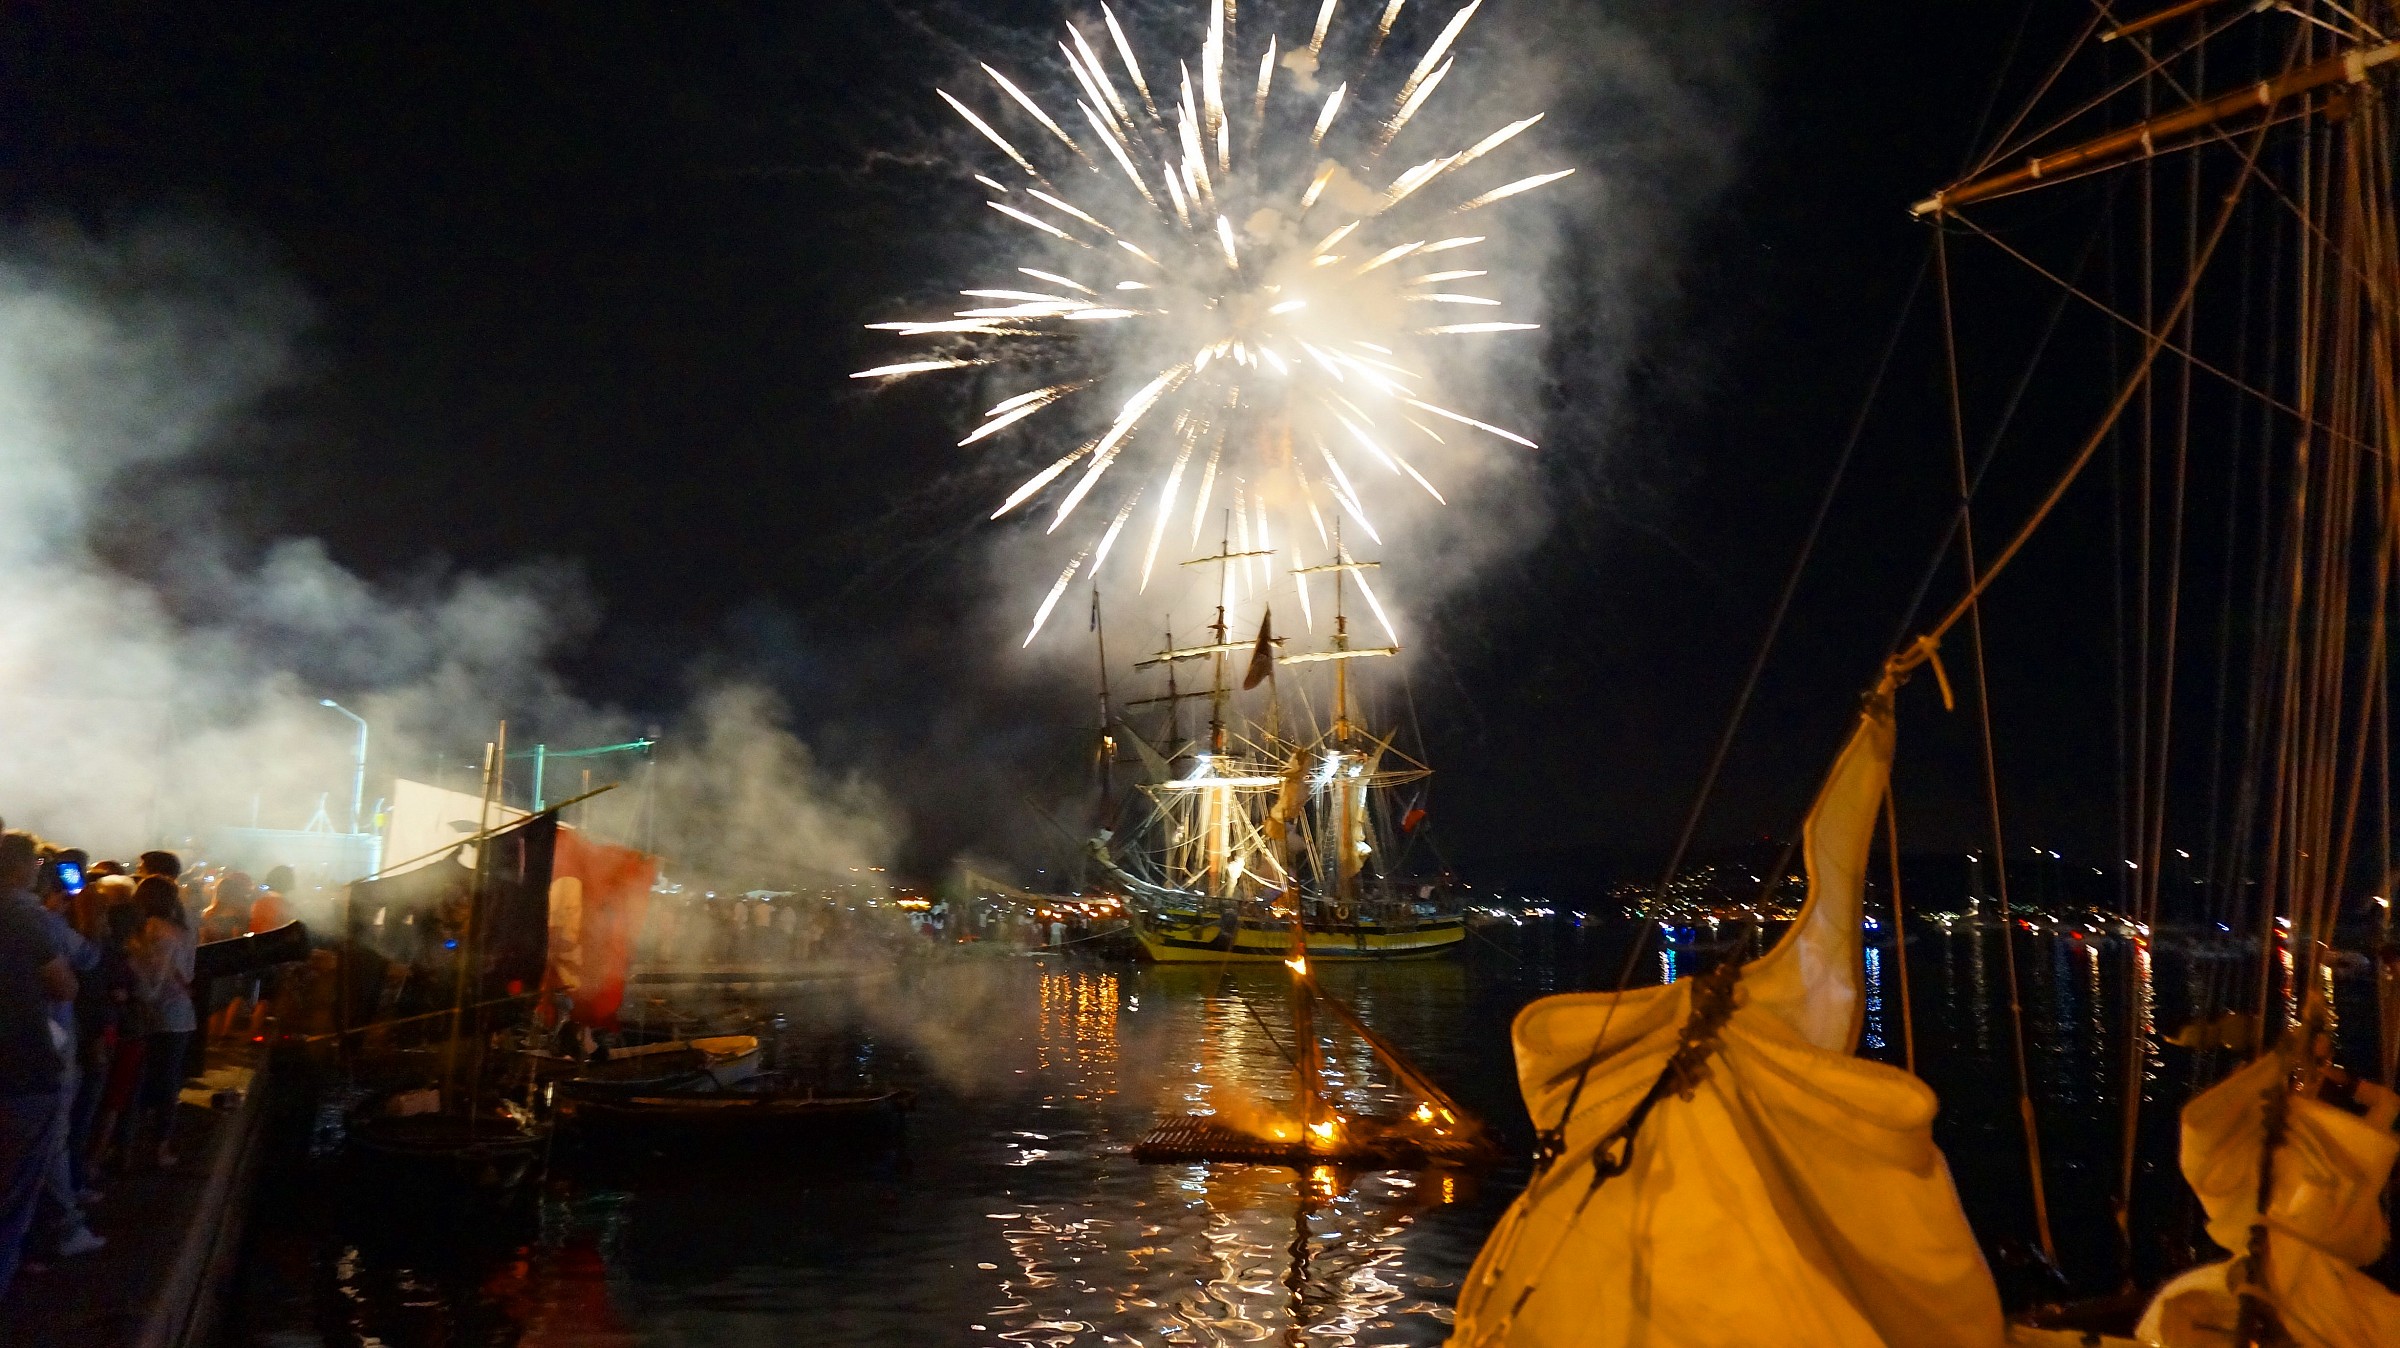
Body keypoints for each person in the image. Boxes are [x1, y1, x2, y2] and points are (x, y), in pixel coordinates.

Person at [0, 830, 74, 1300]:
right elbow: (65, 985)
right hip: (23, 1067)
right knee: (12, 1199)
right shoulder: (22, 917)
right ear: (25, 868)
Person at [124, 875, 196, 1169]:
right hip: (174, 1015)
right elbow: (171, 975)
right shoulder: (175, 931)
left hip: (146, 1014)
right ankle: (159, 1147)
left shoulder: (140, 931)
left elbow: (149, 979)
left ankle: (128, 1146)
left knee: (138, 1081)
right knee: (167, 1084)